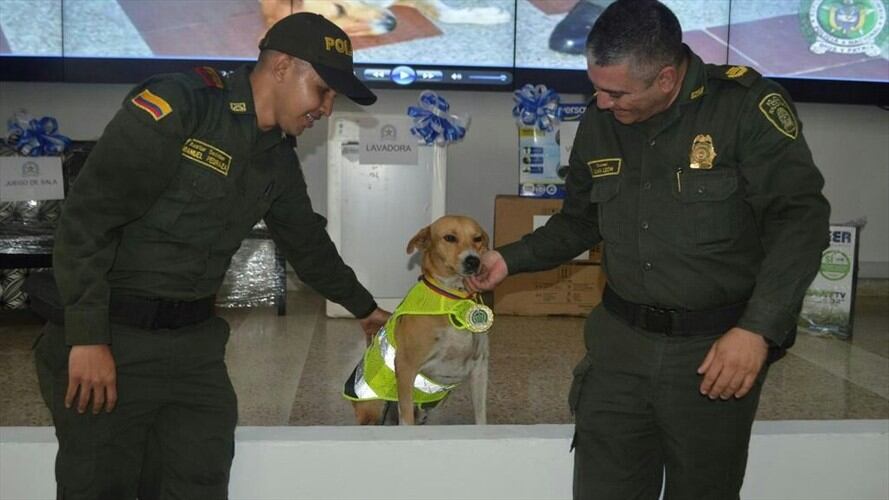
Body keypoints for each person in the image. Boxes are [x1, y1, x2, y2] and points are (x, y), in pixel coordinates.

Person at [468, 1, 830, 499]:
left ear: (665, 78)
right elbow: (579, 221)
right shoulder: (605, 116)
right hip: (620, 352)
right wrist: (509, 259)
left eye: (615, 91)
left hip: (713, 355)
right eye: (595, 86)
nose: (600, 102)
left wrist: (758, 330)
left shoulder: (743, 106)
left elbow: (801, 221)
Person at [33, 13, 389, 499]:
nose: (327, 108)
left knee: (199, 483)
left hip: (194, 351)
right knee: (100, 485)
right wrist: (88, 337)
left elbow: (307, 243)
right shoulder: (182, 107)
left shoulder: (276, 158)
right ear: (283, 66)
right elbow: (89, 219)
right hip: (113, 340)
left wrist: (366, 309)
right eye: (324, 90)